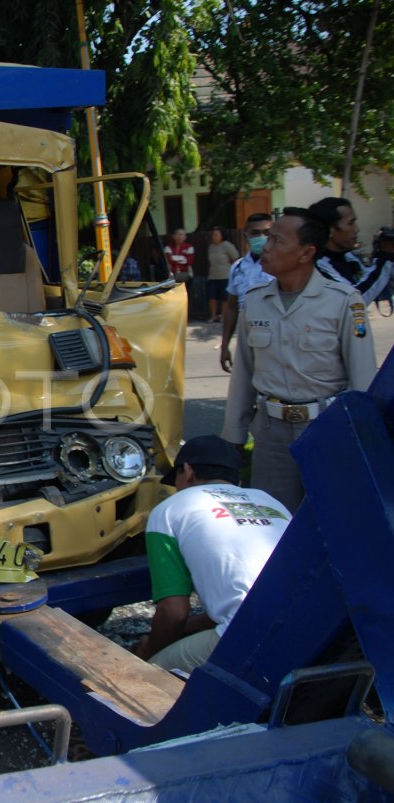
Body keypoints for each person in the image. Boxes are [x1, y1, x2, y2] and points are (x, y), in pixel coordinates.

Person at [221, 208, 377, 512]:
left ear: (306, 253)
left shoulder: (344, 302)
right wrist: (234, 434)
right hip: (270, 433)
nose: (265, 246)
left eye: (277, 240)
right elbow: (243, 373)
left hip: (325, 431)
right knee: (273, 522)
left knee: (331, 520)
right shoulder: (255, 301)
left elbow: (363, 380)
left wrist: (361, 441)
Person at [134, 436, 290, 672]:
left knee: (146, 677)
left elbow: (174, 611)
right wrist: (191, 628)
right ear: (236, 479)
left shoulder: (169, 510)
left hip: (250, 635)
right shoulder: (270, 501)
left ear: (187, 471)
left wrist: (148, 651)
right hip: (307, 627)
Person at [309, 196, 393, 306]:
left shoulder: (348, 256)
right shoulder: (318, 265)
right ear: (330, 230)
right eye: (350, 223)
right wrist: (385, 256)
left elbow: (378, 288)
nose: (357, 229)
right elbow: (355, 301)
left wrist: (381, 253)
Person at [219, 213, 274, 372]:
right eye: (255, 233)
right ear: (246, 236)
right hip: (247, 339)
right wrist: (224, 346)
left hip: (276, 340)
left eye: (267, 233)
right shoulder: (238, 268)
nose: (261, 237)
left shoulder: (282, 266)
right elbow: (232, 308)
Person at [204, 226, 239, 323]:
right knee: (212, 297)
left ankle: (223, 316)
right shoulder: (211, 246)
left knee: (225, 297)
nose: (214, 236)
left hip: (225, 275)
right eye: (213, 234)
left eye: (216, 234)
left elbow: (235, 257)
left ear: (222, 235)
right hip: (213, 275)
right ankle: (213, 316)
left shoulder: (227, 245)